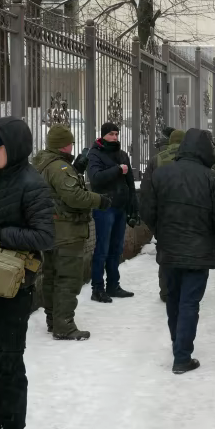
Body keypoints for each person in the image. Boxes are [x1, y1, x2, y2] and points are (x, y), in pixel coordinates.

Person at [0, 117, 55, 429]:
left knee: (7, 361)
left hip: (12, 290)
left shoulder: (32, 185)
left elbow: (45, 236)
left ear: (15, 147)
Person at [140, 129, 215, 374]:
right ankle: (182, 355)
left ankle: (177, 344)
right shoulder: (213, 179)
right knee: (190, 302)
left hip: (169, 247)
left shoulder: (161, 174)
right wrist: (213, 242)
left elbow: (147, 209)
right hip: (199, 250)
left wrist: (160, 232)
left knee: (173, 298)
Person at [34, 125, 110, 340]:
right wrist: (99, 200)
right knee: (68, 279)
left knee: (51, 277)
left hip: (49, 230)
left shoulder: (41, 163)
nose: (72, 146)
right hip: (66, 232)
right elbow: (74, 196)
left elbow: (55, 193)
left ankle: (53, 320)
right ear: (64, 145)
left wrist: (75, 170)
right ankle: (64, 325)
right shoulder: (59, 167)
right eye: (70, 143)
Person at [87, 123, 138, 303]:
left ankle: (113, 285)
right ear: (103, 135)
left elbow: (130, 183)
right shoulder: (95, 154)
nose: (115, 137)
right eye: (111, 134)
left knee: (116, 249)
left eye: (116, 134)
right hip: (104, 207)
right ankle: (97, 288)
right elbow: (95, 178)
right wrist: (117, 170)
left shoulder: (122, 154)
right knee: (102, 248)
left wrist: (133, 206)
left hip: (120, 207)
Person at [141, 129, 185, 303]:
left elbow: (146, 191)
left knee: (166, 254)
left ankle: (166, 291)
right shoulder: (192, 159)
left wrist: (153, 223)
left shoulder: (157, 159)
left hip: (164, 216)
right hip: (187, 215)